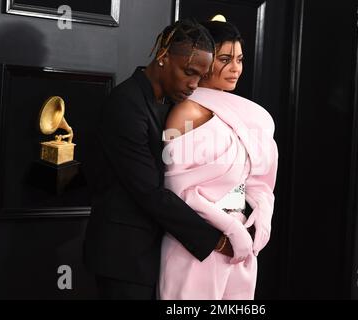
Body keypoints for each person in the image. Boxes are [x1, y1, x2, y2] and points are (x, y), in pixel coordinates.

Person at [82, 19, 251, 300]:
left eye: (201, 75)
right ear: (163, 57)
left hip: (158, 248)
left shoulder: (172, 103)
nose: (193, 84)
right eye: (188, 72)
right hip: (124, 256)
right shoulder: (125, 105)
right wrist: (218, 241)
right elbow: (148, 191)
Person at [159, 21, 279, 300]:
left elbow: (251, 181)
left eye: (239, 59)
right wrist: (229, 230)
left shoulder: (244, 114)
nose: (235, 68)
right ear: (204, 60)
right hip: (194, 247)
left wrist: (262, 213)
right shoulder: (185, 113)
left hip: (239, 249)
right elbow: (177, 191)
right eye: (225, 59)